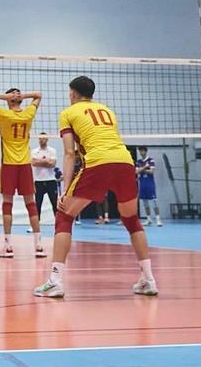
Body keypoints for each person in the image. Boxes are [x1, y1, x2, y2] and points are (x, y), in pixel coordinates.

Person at [34, 76, 157, 298]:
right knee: (131, 219)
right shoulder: (107, 110)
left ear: (73, 94)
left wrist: (66, 188)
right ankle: (148, 279)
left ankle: (55, 280)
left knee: (64, 215)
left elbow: (70, 153)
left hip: (98, 162)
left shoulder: (67, 113)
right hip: (124, 161)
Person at [0, 88, 45, 259]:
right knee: (31, 204)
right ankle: (39, 246)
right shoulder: (28, 113)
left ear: (9, 100)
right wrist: (23, 96)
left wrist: (4, 97)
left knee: (7, 203)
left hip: (9, 164)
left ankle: (8, 246)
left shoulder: (3, 113)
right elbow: (38, 95)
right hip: (24, 164)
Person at [32, 133, 59, 218]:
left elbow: (52, 164)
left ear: (47, 139)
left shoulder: (52, 150)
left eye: (43, 138)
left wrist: (39, 161)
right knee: (37, 204)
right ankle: (36, 227)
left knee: (55, 203)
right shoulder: (34, 151)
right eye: (40, 138)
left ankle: (58, 226)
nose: (41, 140)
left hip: (51, 180)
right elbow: (34, 163)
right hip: (38, 181)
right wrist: (46, 161)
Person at [135, 147, 162, 226]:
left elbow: (151, 171)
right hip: (142, 184)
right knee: (145, 202)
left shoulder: (151, 160)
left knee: (154, 201)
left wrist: (141, 169)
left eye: (142, 151)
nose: (141, 152)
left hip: (150, 183)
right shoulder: (138, 162)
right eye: (140, 151)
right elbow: (136, 172)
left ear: (146, 151)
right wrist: (145, 167)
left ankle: (158, 219)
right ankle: (148, 219)